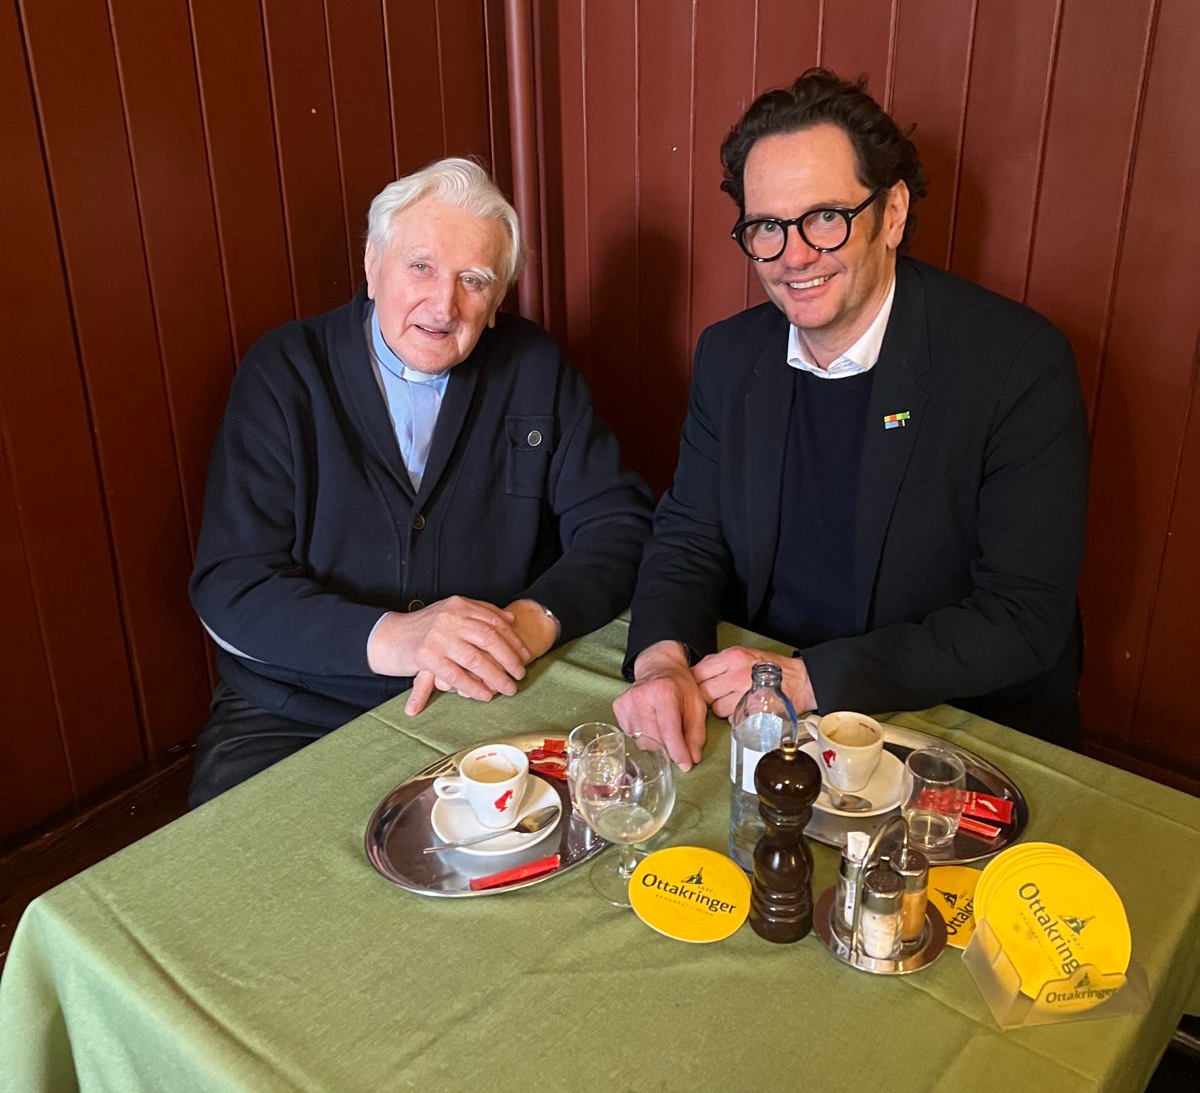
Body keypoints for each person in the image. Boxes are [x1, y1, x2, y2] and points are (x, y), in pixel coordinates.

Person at [614, 69, 1089, 769]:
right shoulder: (730, 353)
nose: (794, 254)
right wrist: (660, 660)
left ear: (892, 214)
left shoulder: (1019, 363)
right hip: (762, 716)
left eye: (826, 218)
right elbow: (688, 534)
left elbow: (1023, 618)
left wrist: (808, 679)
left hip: (950, 729)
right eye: (767, 227)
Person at [189, 158, 652, 806]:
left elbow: (620, 523)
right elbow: (230, 585)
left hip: (484, 694)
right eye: (422, 267)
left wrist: (528, 622)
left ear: (496, 303)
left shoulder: (534, 366)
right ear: (373, 265)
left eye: (474, 280)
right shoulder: (282, 374)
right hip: (296, 711)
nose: (444, 304)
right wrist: (398, 637)